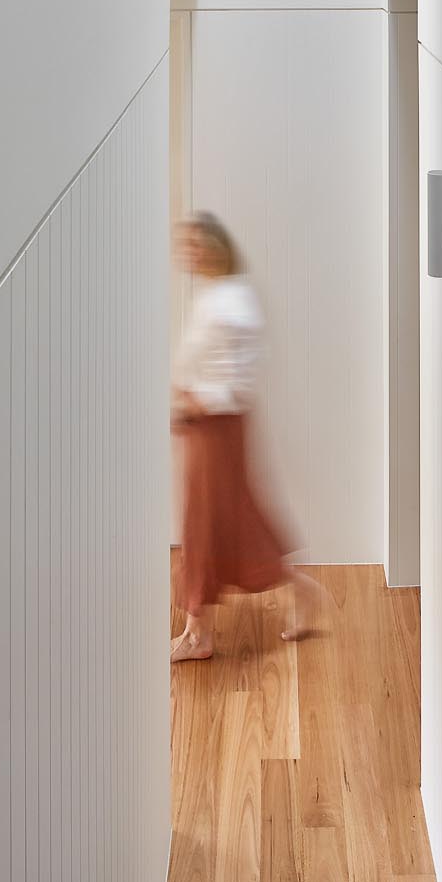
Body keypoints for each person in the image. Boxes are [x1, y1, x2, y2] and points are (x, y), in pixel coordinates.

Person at [170, 213, 328, 662]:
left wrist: (193, 401)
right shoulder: (214, 295)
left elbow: (237, 379)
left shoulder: (234, 303)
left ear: (218, 246)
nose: (189, 252)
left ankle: (198, 634)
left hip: (217, 428)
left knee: (206, 524)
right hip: (205, 425)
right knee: (224, 521)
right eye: (185, 244)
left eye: (197, 244)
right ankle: (299, 591)